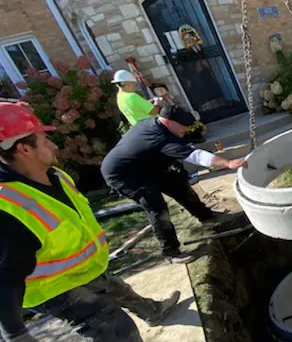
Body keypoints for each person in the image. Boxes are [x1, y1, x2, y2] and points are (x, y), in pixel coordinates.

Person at [0, 101, 196, 342]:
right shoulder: (4, 209)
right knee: (117, 332)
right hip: (55, 288)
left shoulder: (51, 175)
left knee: (117, 289)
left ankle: (153, 311)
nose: (52, 144)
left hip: (81, 269)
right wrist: (15, 334)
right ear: (22, 149)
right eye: (44, 140)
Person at [100, 104, 246, 264]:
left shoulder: (157, 125)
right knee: (157, 207)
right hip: (124, 175)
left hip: (148, 165)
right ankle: (170, 251)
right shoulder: (159, 137)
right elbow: (196, 156)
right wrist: (228, 163)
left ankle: (205, 215)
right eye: (183, 126)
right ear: (168, 122)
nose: (186, 129)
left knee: (178, 183)